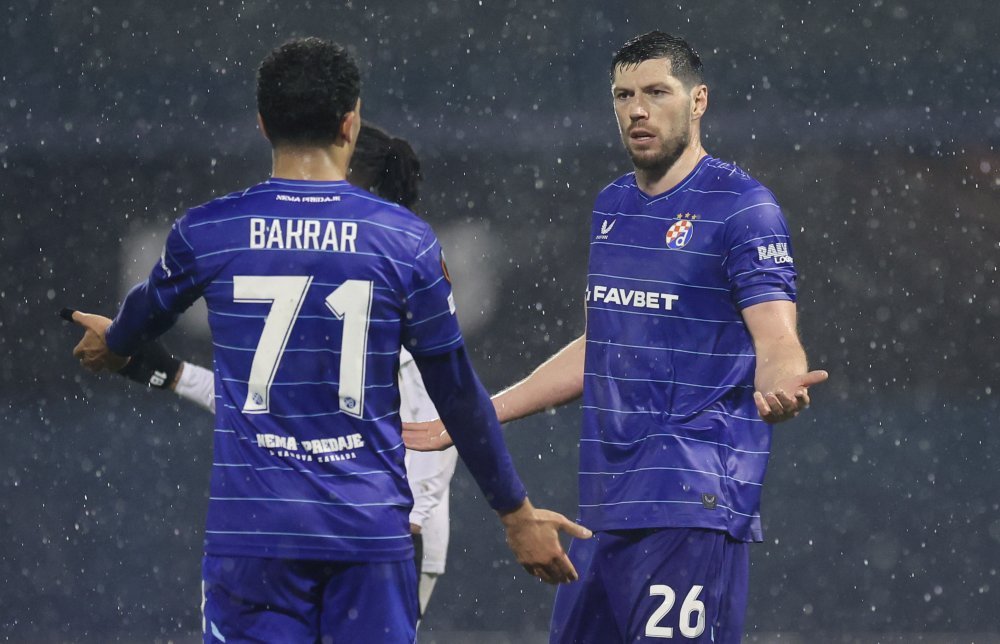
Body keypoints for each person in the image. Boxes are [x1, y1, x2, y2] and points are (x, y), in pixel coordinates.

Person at [68, 37, 589, 643]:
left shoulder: (210, 231)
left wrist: (115, 344)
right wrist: (514, 512)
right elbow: (458, 394)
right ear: (350, 123)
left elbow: (139, 320)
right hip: (367, 534)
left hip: (254, 538)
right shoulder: (405, 242)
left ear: (263, 124)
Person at [403, 31, 828, 643]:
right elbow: (605, 345)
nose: (637, 110)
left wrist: (782, 384)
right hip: (604, 506)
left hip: (691, 499)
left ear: (698, 101)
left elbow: (777, 337)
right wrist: (476, 417)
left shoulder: (743, 207)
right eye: (624, 96)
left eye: (657, 92)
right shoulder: (614, 206)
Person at [93, 123, 459, 619]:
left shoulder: (387, 275)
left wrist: (406, 525)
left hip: (375, 535)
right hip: (313, 527)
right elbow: (272, 408)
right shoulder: (354, 267)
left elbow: (440, 421)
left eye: (318, 170)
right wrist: (174, 375)